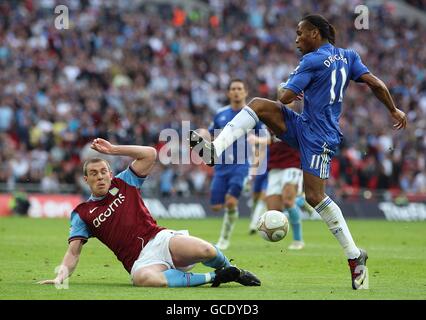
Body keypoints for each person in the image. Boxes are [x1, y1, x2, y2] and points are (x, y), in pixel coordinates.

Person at [189, 14, 407, 290]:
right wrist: (394, 109)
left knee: (314, 196)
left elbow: (284, 97)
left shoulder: (312, 60)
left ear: (315, 33)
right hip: (305, 126)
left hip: (319, 137)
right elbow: (376, 84)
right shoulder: (349, 56)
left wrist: (290, 89)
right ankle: (215, 150)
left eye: (300, 33)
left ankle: (355, 256)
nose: (296, 40)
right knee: (258, 104)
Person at [38, 138, 260, 288]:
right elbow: (73, 252)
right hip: (140, 261)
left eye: (103, 171)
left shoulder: (125, 181)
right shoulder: (82, 213)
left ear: (110, 173)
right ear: (86, 179)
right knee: (146, 279)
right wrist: (60, 276)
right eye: (93, 174)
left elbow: (150, 154)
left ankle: (233, 271)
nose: (100, 177)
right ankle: (214, 277)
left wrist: (114, 150)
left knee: (206, 250)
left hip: (160, 239)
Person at [202, 79, 264, 250]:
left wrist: (257, 143)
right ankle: (243, 187)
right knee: (216, 207)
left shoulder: (252, 115)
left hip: (242, 164)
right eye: (233, 89)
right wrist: (204, 140)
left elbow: (266, 138)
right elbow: (210, 136)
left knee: (230, 202)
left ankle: (224, 238)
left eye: (239, 88)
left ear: (245, 92)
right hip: (221, 167)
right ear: (229, 93)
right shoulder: (220, 114)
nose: (236, 92)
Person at [249, 132, 306, 250]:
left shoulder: (289, 118)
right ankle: (301, 200)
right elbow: (273, 139)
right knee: (274, 210)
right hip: (274, 167)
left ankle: (298, 240)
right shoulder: (269, 122)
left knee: (288, 202)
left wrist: (258, 140)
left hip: (292, 164)